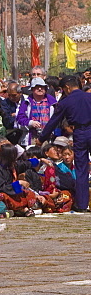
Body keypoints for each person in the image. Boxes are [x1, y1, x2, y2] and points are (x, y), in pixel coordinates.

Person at [39, 75, 91, 212]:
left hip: (79, 133)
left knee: (81, 169)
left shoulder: (66, 102)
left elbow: (54, 121)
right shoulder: (89, 97)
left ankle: (82, 204)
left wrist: (42, 138)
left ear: (67, 87)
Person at [17, 77, 56, 146]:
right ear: (32, 89)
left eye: (42, 87)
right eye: (37, 87)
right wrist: (30, 123)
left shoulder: (53, 103)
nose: (40, 89)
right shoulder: (26, 103)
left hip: (48, 138)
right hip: (32, 137)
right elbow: (19, 119)